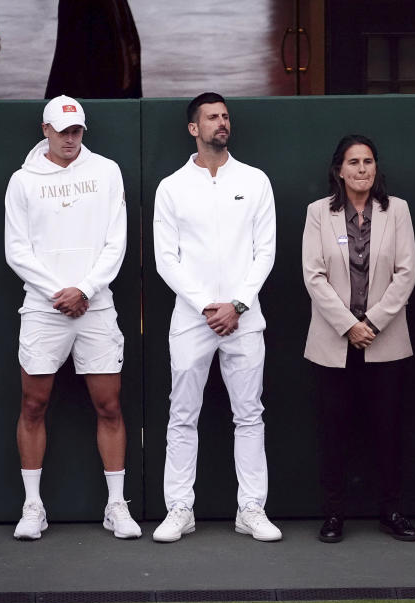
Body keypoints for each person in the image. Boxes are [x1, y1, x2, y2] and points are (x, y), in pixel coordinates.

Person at [4, 95, 140, 540]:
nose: (70, 138)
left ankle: (116, 507)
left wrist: (85, 290)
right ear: (45, 130)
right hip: (44, 311)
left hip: (95, 307)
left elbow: (115, 242)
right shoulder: (22, 181)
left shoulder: (106, 171)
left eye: (77, 130)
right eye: (62, 131)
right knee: (33, 404)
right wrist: (57, 293)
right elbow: (17, 250)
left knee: (109, 406)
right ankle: (33, 507)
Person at [152, 92, 281, 543]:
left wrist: (238, 305)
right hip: (192, 321)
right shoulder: (171, 187)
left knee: (249, 415)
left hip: (245, 318)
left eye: (225, 116)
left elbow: (264, 251)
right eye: (212, 117)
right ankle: (179, 509)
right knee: (182, 415)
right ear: (194, 128)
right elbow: (166, 259)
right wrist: (208, 305)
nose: (221, 122)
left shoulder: (256, 181)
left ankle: (251, 509)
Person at [302, 135, 415, 543]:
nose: (362, 169)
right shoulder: (318, 213)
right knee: (334, 433)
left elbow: (407, 274)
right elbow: (313, 276)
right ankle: (334, 514)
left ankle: (391, 511)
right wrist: (348, 325)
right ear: (339, 170)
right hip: (333, 344)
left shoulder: (397, 210)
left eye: (368, 161)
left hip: (385, 341)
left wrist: (371, 321)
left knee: (388, 431)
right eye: (353, 162)